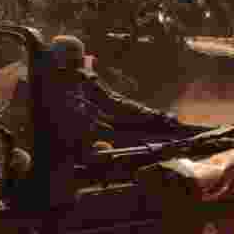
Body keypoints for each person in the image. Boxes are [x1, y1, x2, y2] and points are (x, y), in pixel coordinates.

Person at [46, 34, 179, 164]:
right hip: (81, 145)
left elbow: (112, 101)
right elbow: (113, 104)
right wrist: (156, 115)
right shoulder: (76, 80)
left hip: (68, 141)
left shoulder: (46, 79)